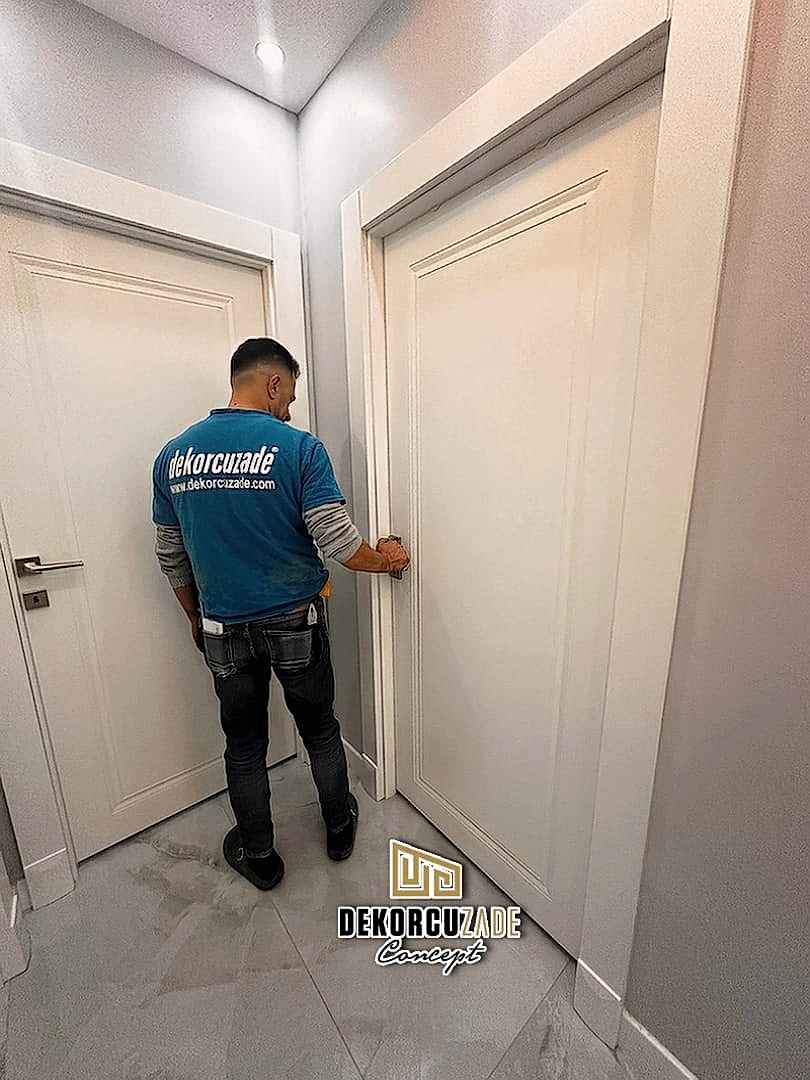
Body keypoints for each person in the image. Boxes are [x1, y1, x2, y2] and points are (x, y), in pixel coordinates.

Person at [151, 337, 409, 890]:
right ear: (273, 382)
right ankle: (339, 829)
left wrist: (195, 617)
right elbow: (340, 543)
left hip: (222, 625)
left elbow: (171, 554)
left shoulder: (173, 457)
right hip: (296, 622)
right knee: (320, 728)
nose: (289, 409)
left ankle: (261, 858)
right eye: (289, 395)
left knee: (244, 745)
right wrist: (387, 559)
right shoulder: (299, 449)